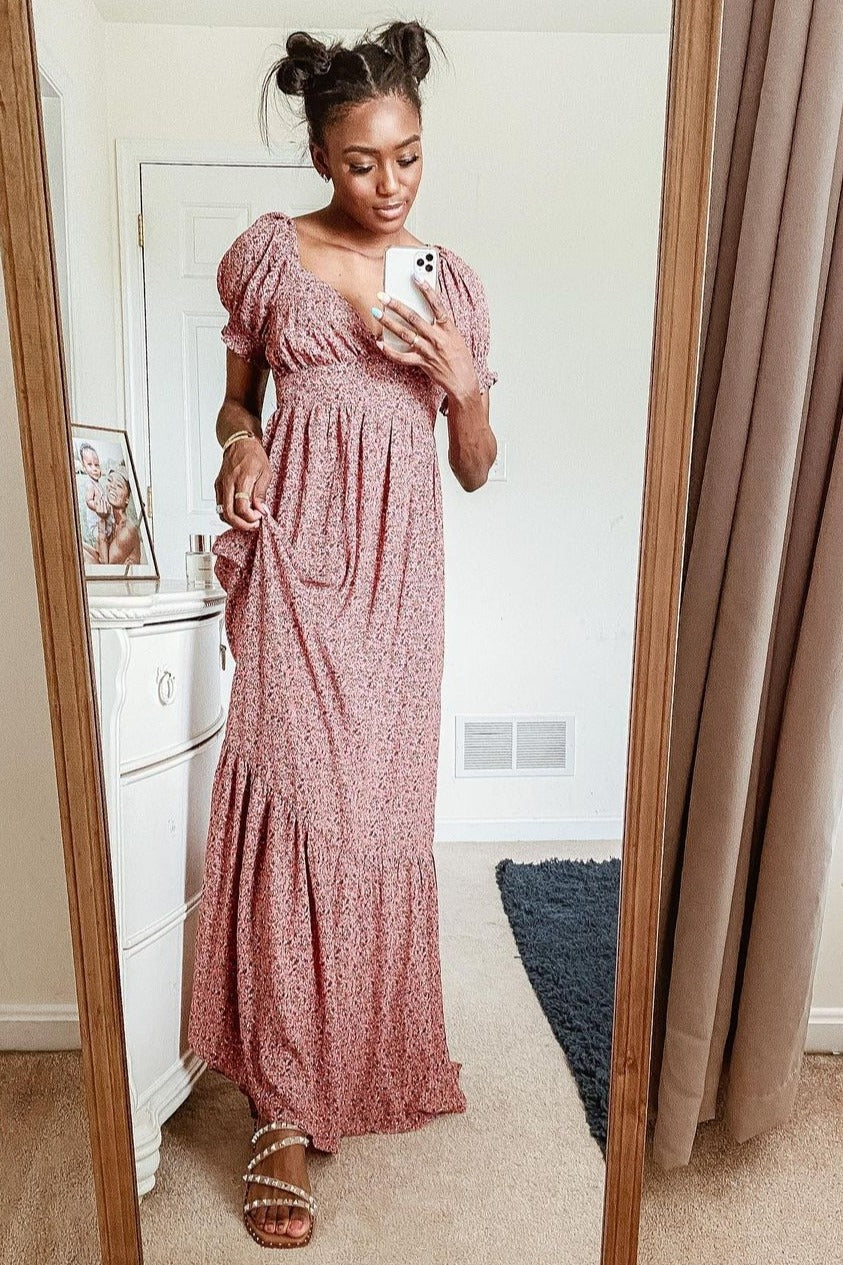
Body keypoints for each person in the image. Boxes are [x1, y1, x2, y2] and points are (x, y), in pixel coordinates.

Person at [187, 19, 498, 1250]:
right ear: (320, 153)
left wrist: (464, 385)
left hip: (401, 585)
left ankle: (350, 1054)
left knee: (373, 819)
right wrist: (241, 445)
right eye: (363, 161)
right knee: (295, 807)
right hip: (299, 566)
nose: (389, 182)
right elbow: (238, 399)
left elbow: (474, 466)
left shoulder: (451, 284)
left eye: (409, 156)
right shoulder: (272, 257)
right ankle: (279, 1104)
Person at [88, 466, 141, 567]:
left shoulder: (127, 530)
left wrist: (102, 520)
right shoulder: (113, 522)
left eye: (119, 485)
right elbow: (99, 553)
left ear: (127, 498)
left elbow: (107, 567)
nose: (112, 486)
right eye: (110, 480)